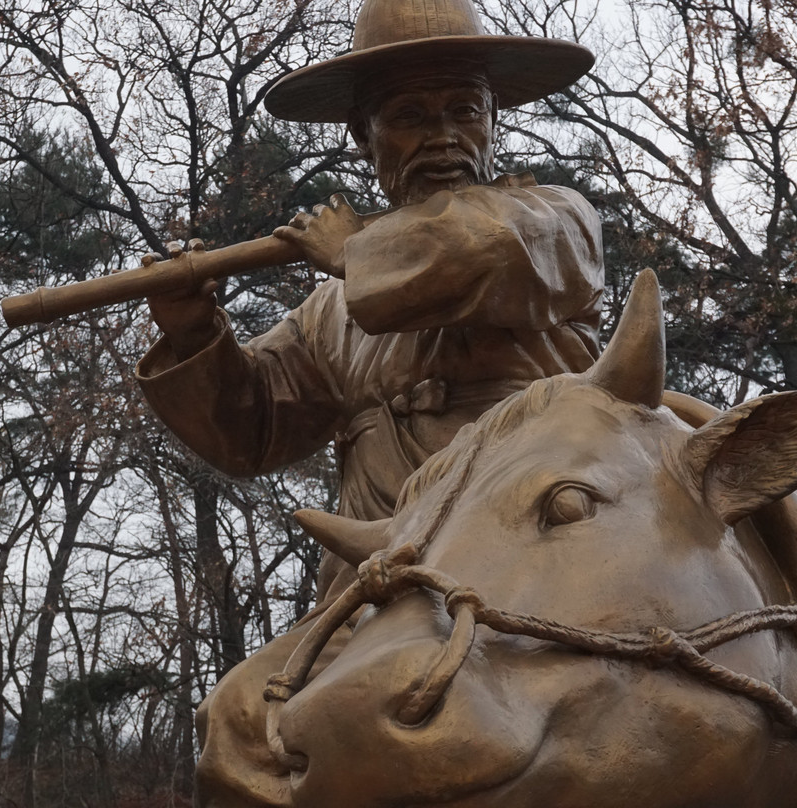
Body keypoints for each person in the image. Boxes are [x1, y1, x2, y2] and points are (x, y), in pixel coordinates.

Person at [136, 0, 603, 804]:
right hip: (374, 604)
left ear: (494, 125)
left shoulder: (550, 222)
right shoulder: (328, 313)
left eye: (465, 110)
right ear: (365, 138)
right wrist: (191, 331)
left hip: (529, 585)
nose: (443, 136)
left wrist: (356, 254)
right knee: (239, 726)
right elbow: (251, 427)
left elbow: (475, 254)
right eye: (410, 116)